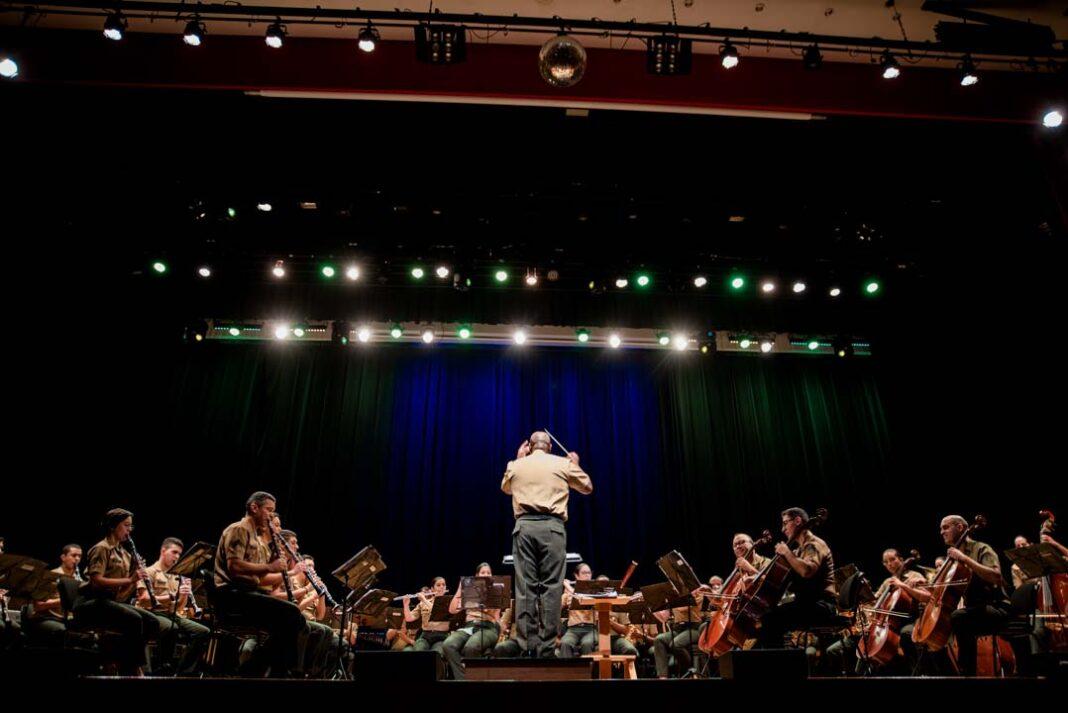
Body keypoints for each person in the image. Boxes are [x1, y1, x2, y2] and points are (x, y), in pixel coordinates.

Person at [502, 430, 592, 658]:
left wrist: (519, 459)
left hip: (524, 527)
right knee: (552, 588)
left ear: (530, 446)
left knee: (525, 587)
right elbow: (587, 487)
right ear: (550, 447)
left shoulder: (516, 464)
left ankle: (527, 647)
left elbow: (506, 488)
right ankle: (546, 648)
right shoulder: (562, 463)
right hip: (552, 528)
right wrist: (575, 464)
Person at [212, 491, 307, 677]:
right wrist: (271, 566)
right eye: (268, 510)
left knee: (295, 621)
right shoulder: (239, 529)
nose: (271, 516)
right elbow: (234, 566)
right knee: (291, 614)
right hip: (231, 595)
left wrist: (277, 559)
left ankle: (268, 670)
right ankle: (271, 671)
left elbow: (261, 579)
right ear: (254, 507)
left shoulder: (257, 537)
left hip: (248, 593)